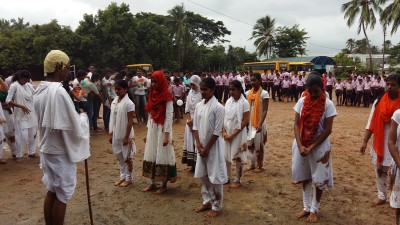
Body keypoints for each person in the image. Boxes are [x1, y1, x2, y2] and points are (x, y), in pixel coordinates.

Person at [34, 50, 90, 225]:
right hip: (59, 152)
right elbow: (72, 125)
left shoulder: (40, 90)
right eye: (67, 66)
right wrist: (83, 118)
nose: (68, 71)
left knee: (52, 190)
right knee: (63, 194)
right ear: (59, 67)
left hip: (47, 148)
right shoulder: (58, 92)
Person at [292, 74, 337, 223]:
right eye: (310, 91)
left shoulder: (328, 104)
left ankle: (315, 209)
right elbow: (296, 124)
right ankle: (306, 207)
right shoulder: (302, 101)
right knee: (305, 176)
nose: (312, 95)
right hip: (302, 144)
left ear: (322, 89)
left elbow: (328, 130)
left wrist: (311, 146)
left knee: (319, 179)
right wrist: (300, 145)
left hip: (319, 146)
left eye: (315, 92)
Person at [360, 73, 400, 205]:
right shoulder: (378, 101)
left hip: (397, 143)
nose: (389, 87)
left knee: (396, 170)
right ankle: (382, 195)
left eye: (393, 85)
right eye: (387, 84)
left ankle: (395, 197)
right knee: (380, 169)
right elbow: (370, 122)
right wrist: (365, 141)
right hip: (380, 141)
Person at [193, 77, 227, 218]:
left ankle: (217, 205)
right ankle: (206, 201)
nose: (202, 92)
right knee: (203, 175)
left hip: (213, 147)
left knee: (215, 176)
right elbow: (195, 126)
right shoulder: (199, 106)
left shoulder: (218, 107)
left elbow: (217, 131)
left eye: (205, 89)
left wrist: (206, 148)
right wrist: (199, 145)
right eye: (201, 89)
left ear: (213, 90)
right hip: (201, 147)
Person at [142, 71, 176, 194]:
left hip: (162, 128)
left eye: (156, 81)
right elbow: (150, 114)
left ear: (161, 81)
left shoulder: (167, 96)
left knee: (163, 154)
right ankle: (152, 182)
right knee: (151, 153)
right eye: (152, 81)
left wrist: (167, 135)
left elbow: (169, 116)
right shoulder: (152, 94)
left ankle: (164, 184)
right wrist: (147, 132)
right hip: (152, 127)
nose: (154, 84)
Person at [6, 70, 38, 159]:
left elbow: (37, 93)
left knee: (33, 134)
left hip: (31, 113)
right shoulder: (14, 86)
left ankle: (32, 152)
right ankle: (18, 154)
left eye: (27, 80)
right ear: (20, 77)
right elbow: (8, 101)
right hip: (20, 114)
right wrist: (21, 106)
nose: (26, 81)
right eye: (25, 79)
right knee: (22, 136)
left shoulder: (28, 85)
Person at [223, 80, 249, 188]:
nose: (231, 92)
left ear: (239, 90)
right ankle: (227, 177)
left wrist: (233, 134)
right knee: (225, 156)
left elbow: (245, 121)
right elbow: (224, 117)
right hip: (227, 132)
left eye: (233, 89)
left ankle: (238, 179)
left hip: (238, 133)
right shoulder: (228, 101)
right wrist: (224, 132)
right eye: (230, 89)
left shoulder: (244, 103)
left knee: (238, 156)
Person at [109, 79, 135, 187]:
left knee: (127, 156)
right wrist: (110, 133)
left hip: (125, 133)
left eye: (119, 89)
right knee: (119, 155)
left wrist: (126, 136)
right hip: (116, 132)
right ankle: (122, 176)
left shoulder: (129, 103)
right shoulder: (114, 102)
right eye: (115, 89)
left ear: (125, 89)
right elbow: (112, 118)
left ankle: (129, 178)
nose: (116, 91)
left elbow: (130, 121)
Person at [246, 73, 269, 172]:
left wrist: (260, 124)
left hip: (259, 122)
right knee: (250, 144)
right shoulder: (247, 93)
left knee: (259, 144)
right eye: (251, 80)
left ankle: (260, 165)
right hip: (250, 122)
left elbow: (265, 110)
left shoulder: (264, 93)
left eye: (254, 80)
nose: (252, 82)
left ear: (259, 81)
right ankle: (252, 163)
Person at [182, 75, 202, 172]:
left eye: (194, 85)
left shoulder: (202, 93)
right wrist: (189, 120)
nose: (192, 87)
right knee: (190, 142)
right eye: (191, 85)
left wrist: (194, 121)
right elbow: (187, 108)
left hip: (199, 120)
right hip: (190, 121)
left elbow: (202, 109)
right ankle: (192, 165)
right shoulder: (189, 93)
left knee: (197, 141)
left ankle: (198, 164)